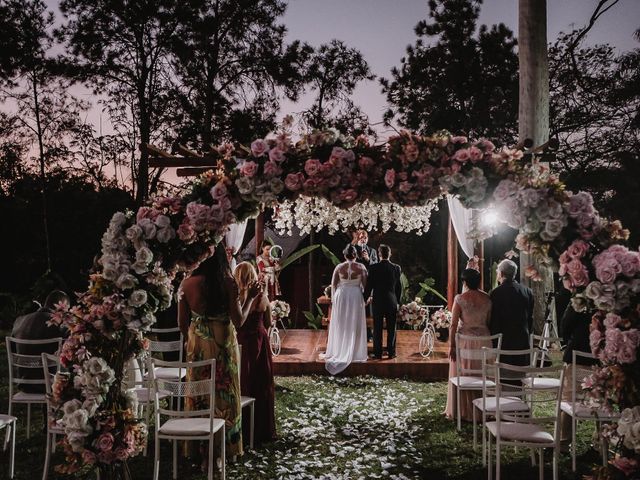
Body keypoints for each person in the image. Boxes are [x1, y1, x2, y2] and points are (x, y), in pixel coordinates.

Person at [178, 246, 262, 464]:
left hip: (197, 345)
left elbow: (181, 325)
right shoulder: (228, 283)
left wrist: (198, 328)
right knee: (225, 394)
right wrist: (250, 298)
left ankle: (198, 448)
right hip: (223, 344)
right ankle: (225, 449)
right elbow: (239, 321)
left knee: (198, 392)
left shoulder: (187, 284)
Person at [234, 262, 276, 445]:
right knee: (261, 381)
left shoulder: (235, 298)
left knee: (243, 380)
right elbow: (267, 322)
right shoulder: (261, 297)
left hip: (241, 341)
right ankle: (261, 429)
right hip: (259, 340)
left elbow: (235, 322)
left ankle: (242, 427)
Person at [444, 269, 492, 421]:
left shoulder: (460, 299)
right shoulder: (488, 299)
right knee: (482, 373)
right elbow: (488, 321)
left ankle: (462, 410)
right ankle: (483, 409)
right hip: (485, 341)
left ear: (464, 282)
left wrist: (452, 345)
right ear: (478, 281)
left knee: (465, 373)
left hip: (465, 342)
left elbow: (453, 325)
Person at [11, 290, 69, 392]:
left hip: (24, 384)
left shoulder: (19, 321)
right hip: (53, 386)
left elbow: (13, 353)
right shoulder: (60, 324)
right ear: (62, 306)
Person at [323, 244, 368, 374]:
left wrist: (333, 300)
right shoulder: (361, 267)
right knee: (354, 322)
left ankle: (338, 350)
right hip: (355, 295)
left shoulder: (339, 267)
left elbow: (334, 284)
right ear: (355, 255)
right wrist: (364, 298)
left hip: (341, 295)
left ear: (344, 255)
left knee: (341, 323)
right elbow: (364, 286)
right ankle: (355, 352)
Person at [559, 303, 597, 449]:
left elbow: (566, 325)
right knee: (599, 400)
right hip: (600, 356)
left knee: (569, 398)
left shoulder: (580, 300)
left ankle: (564, 442)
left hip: (578, 352)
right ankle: (600, 444)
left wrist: (568, 341)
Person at [489, 259, 534, 366]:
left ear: (501, 273)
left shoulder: (496, 293)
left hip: (503, 341)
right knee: (520, 375)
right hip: (522, 339)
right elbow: (530, 317)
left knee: (505, 376)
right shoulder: (528, 291)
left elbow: (494, 319)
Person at [364, 244, 402, 359]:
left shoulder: (374, 268)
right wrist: (398, 301)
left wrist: (364, 298)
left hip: (378, 301)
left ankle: (378, 353)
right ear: (390, 254)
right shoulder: (396, 268)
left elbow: (369, 286)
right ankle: (391, 353)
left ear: (379, 254)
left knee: (377, 328)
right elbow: (399, 287)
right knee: (391, 327)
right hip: (391, 300)